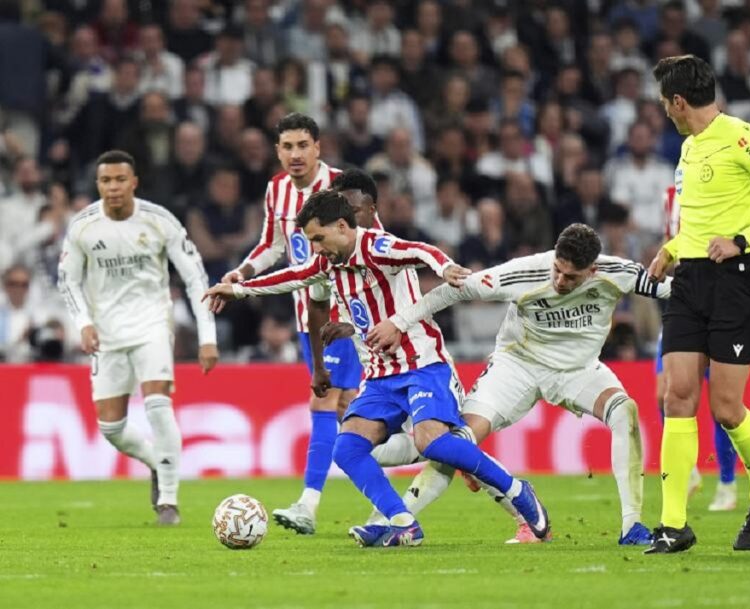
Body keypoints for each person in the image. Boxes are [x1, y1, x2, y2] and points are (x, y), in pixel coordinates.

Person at [203, 189, 550, 548]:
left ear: (342, 226)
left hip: (423, 365)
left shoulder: (377, 247)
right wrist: (238, 290)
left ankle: (518, 491)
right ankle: (403, 523)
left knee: (432, 442)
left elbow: (420, 250)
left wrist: (444, 267)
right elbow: (292, 276)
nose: (316, 249)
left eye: (318, 238)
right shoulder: (327, 264)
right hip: (381, 376)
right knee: (346, 448)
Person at [365, 223, 665, 545]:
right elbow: (456, 290)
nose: (560, 281)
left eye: (571, 277)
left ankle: (632, 526)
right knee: (454, 443)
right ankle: (396, 520)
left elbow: (679, 289)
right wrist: (399, 322)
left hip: (578, 370)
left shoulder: (619, 273)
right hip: (517, 366)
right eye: (557, 270)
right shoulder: (526, 272)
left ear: (592, 270)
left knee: (624, 411)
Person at [646, 55, 750, 554]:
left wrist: (742, 240)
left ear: (679, 101)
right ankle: (673, 524)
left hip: (737, 281)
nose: (665, 111)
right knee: (676, 396)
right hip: (691, 279)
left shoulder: (742, 137)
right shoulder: (688, 147)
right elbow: (699, 221)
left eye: (666, 102)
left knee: (725, 408)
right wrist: (672, 248)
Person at [57, 150, 218, 526]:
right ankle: (156, 463)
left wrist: (207, 336)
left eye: (119, 180)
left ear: (134, 182)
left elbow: (195, 277)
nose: (113, 187)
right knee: (110, 427)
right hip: (106, 333)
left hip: (152, 324)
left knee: (158, 405)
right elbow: (68, 281)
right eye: (105, 181)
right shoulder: (83, 227)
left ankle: (169, 502)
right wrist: (83, 323)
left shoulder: (159, 220)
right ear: (98, 185)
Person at [221, 113, 361, 535]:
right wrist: (242, 272)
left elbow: (370, 243)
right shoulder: (276, 189)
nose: (295, 154)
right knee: (348, 409)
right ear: (277, 151)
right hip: (307, 316)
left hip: (343, 314)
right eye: (287, 146)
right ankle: (423, 466)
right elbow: (272, 244)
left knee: (324, 402)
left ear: (318, 147)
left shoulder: (343, 187)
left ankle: (308, 504)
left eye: (303, 145)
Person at [655, 186, 739, 512]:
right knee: (664, 394)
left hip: (716, 304)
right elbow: (672, 243)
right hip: (682, 302)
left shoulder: (720, 194)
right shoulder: (670, 196)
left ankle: (728, 483)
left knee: (721, 406)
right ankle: (688, 471)